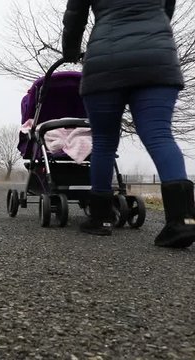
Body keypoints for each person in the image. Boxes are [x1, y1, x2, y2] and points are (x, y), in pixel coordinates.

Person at [62, 0, 195, 247]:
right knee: (160, 135)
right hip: (157, 56)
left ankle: (101, 218)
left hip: (106, 59)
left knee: (103, 142)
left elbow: (74, 16)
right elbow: (167, 9)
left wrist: (70, 51)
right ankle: (182, 220)